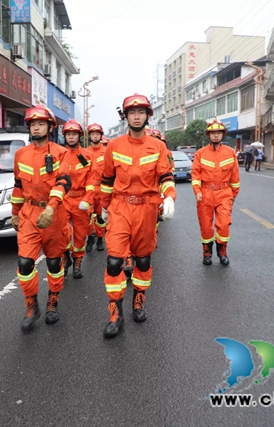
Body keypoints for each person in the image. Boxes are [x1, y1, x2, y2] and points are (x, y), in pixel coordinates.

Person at [99, 93, 177, 338]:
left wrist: (169, 197)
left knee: (142, 261)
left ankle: (139, 299)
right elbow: (107, 179)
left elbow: (165, 177)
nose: (136, 116)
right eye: (131, 113)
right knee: (114, 262)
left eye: (140, 112)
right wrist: (103, 208)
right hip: (120, 207)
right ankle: (115, 312)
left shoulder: (158, 147)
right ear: (126, 116)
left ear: (147, 116)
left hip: (147, 208)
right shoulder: (114, 145)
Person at [10, 105, 72, 331]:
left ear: (49, 127)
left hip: (54, 214)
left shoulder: (60, 152)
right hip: (29, 213)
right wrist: (15, 213)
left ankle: (52, 301)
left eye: (41, 124)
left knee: (55, 262)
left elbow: (64, 182)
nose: (36, 128)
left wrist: (51, 208)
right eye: (33, 124)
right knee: (25, 262)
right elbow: (18, 186)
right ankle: (31, 304)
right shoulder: (21, 154)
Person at [191, 120, 241, 266]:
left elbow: (235, 178)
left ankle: (222, 252)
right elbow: (195, 175)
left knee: (224, 224)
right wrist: (197, 191)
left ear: (222, 135)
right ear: (209, 135)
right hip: (205, 194)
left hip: (224, 193)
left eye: (218, 133)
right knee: (206, 226)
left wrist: (232, 196)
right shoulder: (200, 154)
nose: (216, 136)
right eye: (213, 133)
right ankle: (207, 252)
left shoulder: (230, 153)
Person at [60, 119, 95, 279]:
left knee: (80, 235)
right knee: (61, 232)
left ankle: (77, 262)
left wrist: (87, 199)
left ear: (79, 136)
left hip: (81, 200)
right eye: (68, 134)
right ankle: (65, 255)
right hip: (64, 199)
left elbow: (91, 180)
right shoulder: (59, 155)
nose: (71, 137)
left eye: (74, 134)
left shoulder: (87, 156)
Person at [85, 123, 107, 253]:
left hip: (102, 188)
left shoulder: (106, 152)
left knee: (100, 217)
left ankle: (99, 239)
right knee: (87, 216)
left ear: (100, 136)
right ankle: (90, 238)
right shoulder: (85, 152)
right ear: (90, 136)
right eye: (93, 134)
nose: (95, 136)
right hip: (88, 190)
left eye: (97, 134)